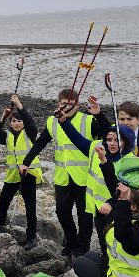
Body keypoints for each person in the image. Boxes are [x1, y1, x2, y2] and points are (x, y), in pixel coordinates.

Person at [44, 96, 137, 255]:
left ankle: (114, 269)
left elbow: (126, 189)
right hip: (97, 207)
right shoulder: (98, 148)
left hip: (116, 209)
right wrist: (64, 121)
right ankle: (105, 266)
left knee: (116, 242)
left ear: (126, 143)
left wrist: (111, 204)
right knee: (103, 241)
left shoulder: (130, 161)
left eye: (117, 141)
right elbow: (77, 139)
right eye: (109, 140)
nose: (112, 143)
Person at [21, 88, 108, 256]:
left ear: (77, 105)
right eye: (63, 104)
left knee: (85, 214)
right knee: (61, 211)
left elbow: (107, 133)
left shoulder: (88, 120)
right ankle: (71, 240)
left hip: (84, 177)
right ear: (58, 104)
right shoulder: (52, 122)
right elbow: (40, 143)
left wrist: (99, 114)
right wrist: (26, 162)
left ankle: (82, 246)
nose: (66, 107)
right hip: (62, 176)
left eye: (70, 104)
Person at [0, 95, 42, 249]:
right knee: (4, 201)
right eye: (13, 121)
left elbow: (31, 124)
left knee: (30, 206)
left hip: (29, 173)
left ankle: (31, 236)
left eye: (18, 121)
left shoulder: (30, 133)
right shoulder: (7, 135)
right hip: (13, 174)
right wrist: (2, 117)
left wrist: (19, 105)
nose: (15, 123)